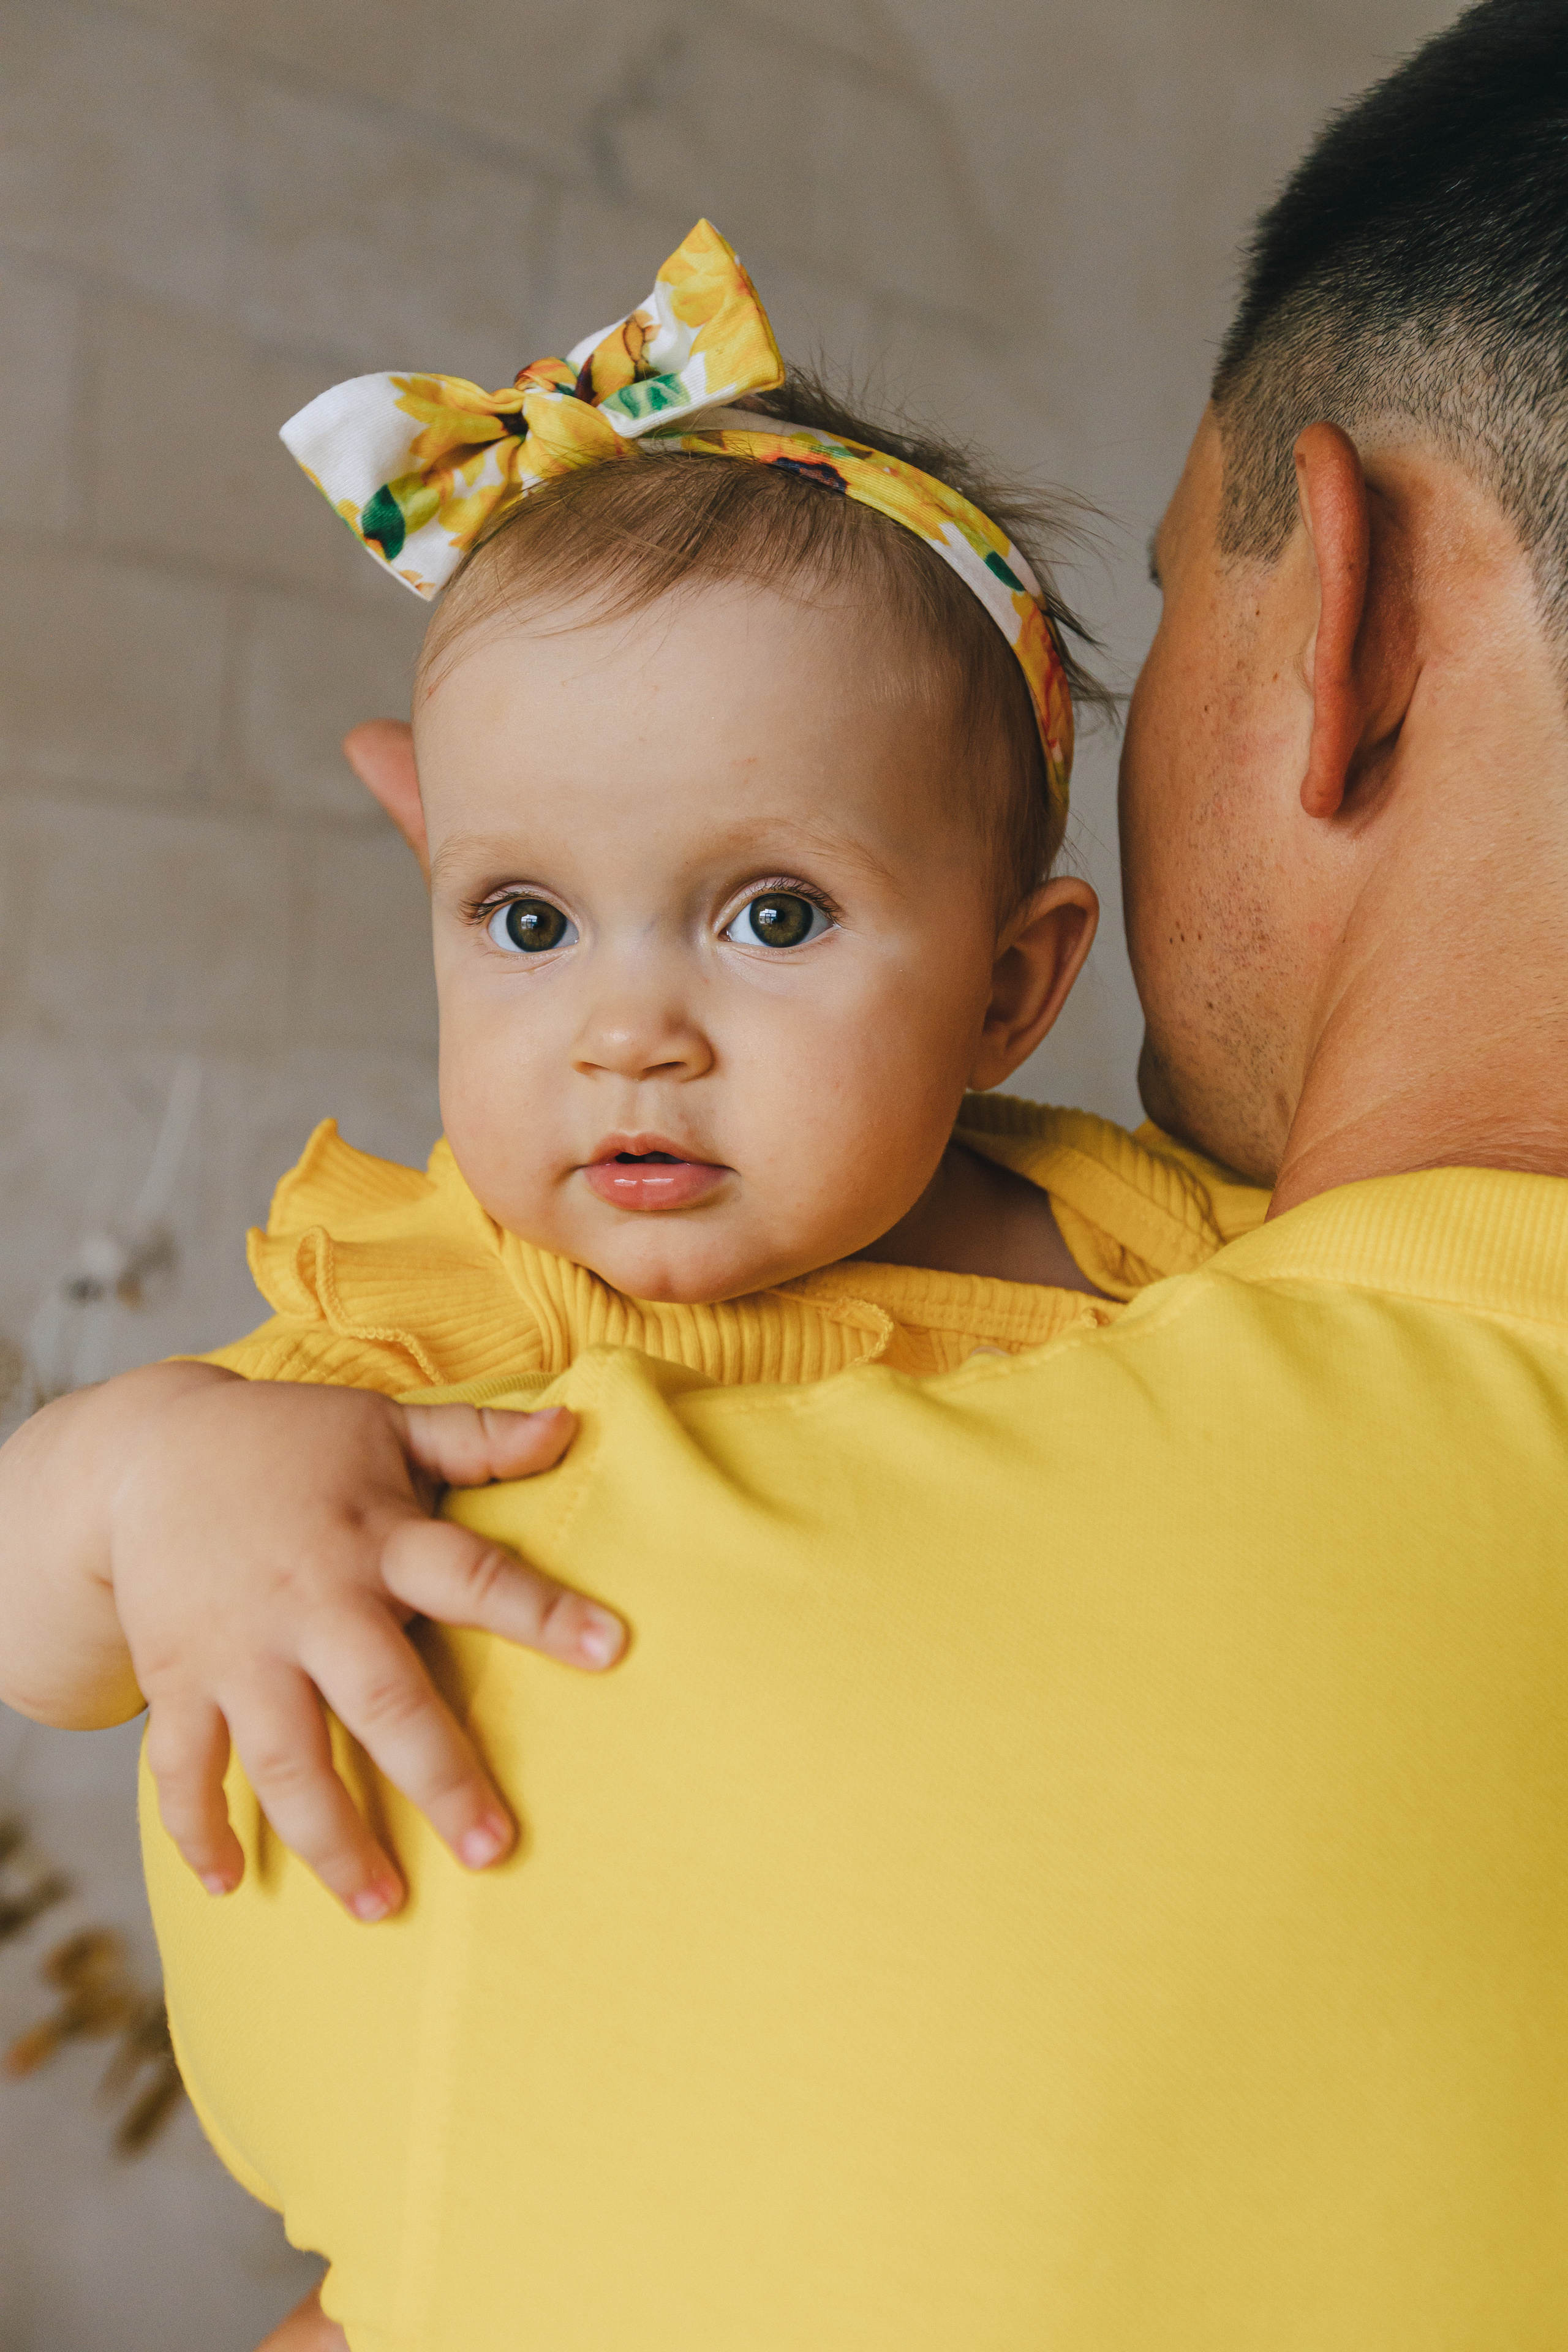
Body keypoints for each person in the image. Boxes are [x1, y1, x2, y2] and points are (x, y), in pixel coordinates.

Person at [12, 1, 1568, 2343]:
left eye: (771, 916)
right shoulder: (451, 1305)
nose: (628, 1028)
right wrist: (161, 1467)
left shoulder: (1145, 1231)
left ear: (1018, 984)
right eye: (524, 920)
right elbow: (53, 1602)